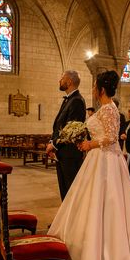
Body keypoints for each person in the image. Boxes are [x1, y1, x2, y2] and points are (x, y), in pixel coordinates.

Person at [48, 70, 130, 260]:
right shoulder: (103, 108)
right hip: (96, 158)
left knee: (107, 204)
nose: (92, 89)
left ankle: (106, 256)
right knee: (89, 203)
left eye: (94, 86)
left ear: (100, 89)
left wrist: (90, 144)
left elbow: (111, 137)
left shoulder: (110, 109)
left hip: (105, 160)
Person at [46, 70, 86, 200]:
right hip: (63, 153)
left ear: (69, 81)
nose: (59, 81)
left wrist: (54, 145)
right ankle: (65, 220)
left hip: (70, 154)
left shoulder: (77, 101)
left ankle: (73, 220)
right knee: (64, 190)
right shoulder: (69, 100)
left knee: (71, 191)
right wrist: (52, 143)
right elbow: (59, 126)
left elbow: (71, 131)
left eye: (62, 78)